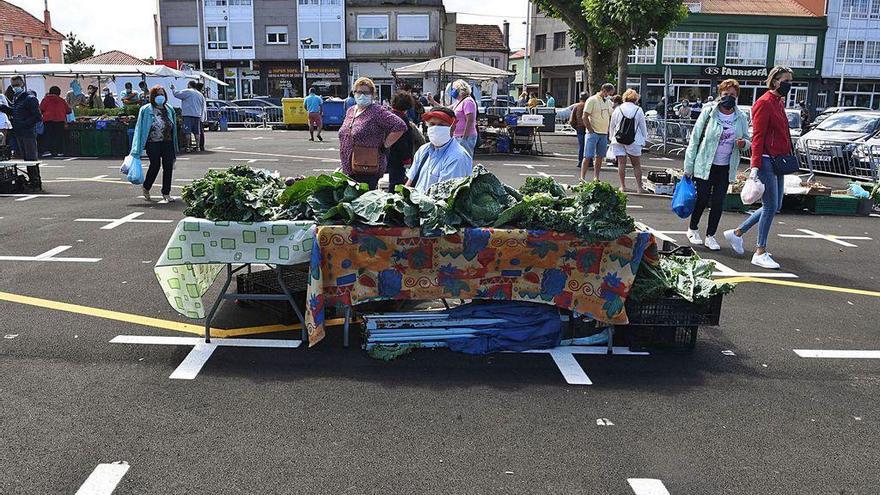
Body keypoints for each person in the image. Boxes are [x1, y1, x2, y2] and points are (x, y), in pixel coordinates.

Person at [724, 66, 794, 270]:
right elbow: (758, 136)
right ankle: (760, 251)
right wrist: (755, 166)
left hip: (777, 159)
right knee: (771, 205)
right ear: (774, 81)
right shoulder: (764, 103)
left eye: (790, 80)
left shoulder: (778, 103)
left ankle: (737, 233)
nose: (789, 84)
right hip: (765, 160)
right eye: (785, 80)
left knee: (775, 205)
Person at [683, 79, 750, 251]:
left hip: (726, 166)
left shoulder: (741, 117)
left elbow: (748, 140)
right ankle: (693, 228)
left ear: (737, 97)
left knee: (718, 202)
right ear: (720, 95)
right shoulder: (708, 113)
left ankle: (710, 235)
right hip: (705, 164)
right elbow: (695, 139)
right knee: (703, 198)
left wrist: (744, 144)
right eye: (726, 94)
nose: (729, 97)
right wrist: (688, 167)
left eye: (733, 95)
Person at [338, 77, 407, 190]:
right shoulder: (351, 110)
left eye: (366, 92)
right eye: (359, 92)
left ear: (373, 94)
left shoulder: (377, 111)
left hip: (367, 166)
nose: (362, 95)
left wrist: (385, 145)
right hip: (349, 166)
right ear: (354, 93)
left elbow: (400, 125)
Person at [129, 85, 178, 203]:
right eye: (157, 94)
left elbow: (174, 127)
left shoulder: (169, 109)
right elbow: (140, 128)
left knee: (168, 166)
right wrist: (137, 147)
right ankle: (146, 187)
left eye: (162, 94)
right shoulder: (146, 109)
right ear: (153, 96)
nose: (160, 96)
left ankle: (166, 192)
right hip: (152, 142)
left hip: (168, 141)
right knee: (155, 165)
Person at [406, 107, 472, 193]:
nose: (436, 128)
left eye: (441, 125)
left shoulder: (457, 157)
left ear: (453, 128)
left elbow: (446, 197)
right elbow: (410, 181)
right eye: (432, 124)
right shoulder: (423, 150)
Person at [4, 76, 42, 186]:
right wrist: (4, 108)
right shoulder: (17, 98)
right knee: (26, 158)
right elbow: (15, 112)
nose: (15, 87)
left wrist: (24, 123)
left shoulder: (29, 98)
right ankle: (32, 180)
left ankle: (36, 181)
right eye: (13, 85)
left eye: (17, 85)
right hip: (19, 132)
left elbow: (37, 116)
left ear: (23, 85)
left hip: (28, 132)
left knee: (31, 158)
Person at [609, 89, 648, 193]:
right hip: (633, 140)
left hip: (618, 139)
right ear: (635, 99)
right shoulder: (638, 110)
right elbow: (642, 126)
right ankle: (639, 187)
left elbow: (612, 125)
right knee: (636, 164)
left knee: (621, 164)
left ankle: (623, 186)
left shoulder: (618, 109)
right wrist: (644, 139)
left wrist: (611, 137)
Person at [580, 82, 615, 181]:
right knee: (587, 156)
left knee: (600, 157)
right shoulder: (592, 100)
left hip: (603, 133)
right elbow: (585, 116)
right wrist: (590, 130)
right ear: (604, 91)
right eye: (609, 93)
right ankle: (582, 177)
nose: (610, 96)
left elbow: (612, 114)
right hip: (593, 132)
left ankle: (596, 177)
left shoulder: (608, 102)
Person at [387, 91, 416, 192]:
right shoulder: (402, 119)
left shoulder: (389, 115)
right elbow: (403, 141)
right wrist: (407, 158)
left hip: (389, 153)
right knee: (397, 182)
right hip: (398, 157)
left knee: (392, 180)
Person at [171, 80, 206, 152]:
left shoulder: (187, 91)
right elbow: (203, 105)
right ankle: (198, 147)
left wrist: (173, 88)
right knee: (197, 132)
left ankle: (188, 147)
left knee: (187, 132)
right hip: (197, 115)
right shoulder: (200, 94)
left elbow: (176, 94)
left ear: (189, 85)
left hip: (188, 115)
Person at [449, 79, 478, 158]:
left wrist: (464, 137)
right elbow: (446, 109)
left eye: (454, 89)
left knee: (464, 158)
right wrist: (433, 102)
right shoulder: (459, 101)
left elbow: (470, 120)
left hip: (465, 136)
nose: (452, 91)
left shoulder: (468, 101)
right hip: (457, 136)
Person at [39, 86, 71, 158]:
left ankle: (48, 151)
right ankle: (59, 151)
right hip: (60, 120)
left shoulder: (45, 99)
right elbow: (69, 110)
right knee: (58, 136)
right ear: (59, 93)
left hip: (48, 120)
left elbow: (41, 109)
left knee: (48, 136)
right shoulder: (61, 100)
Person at [570, 92, 589, 169]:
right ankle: (589, 161)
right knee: (589, 145)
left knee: (581, 145)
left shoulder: (576, 106)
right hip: (589, 127)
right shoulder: (589, 106)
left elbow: (571, 120)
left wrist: (576, 127)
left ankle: (581, 161)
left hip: (580, 128)